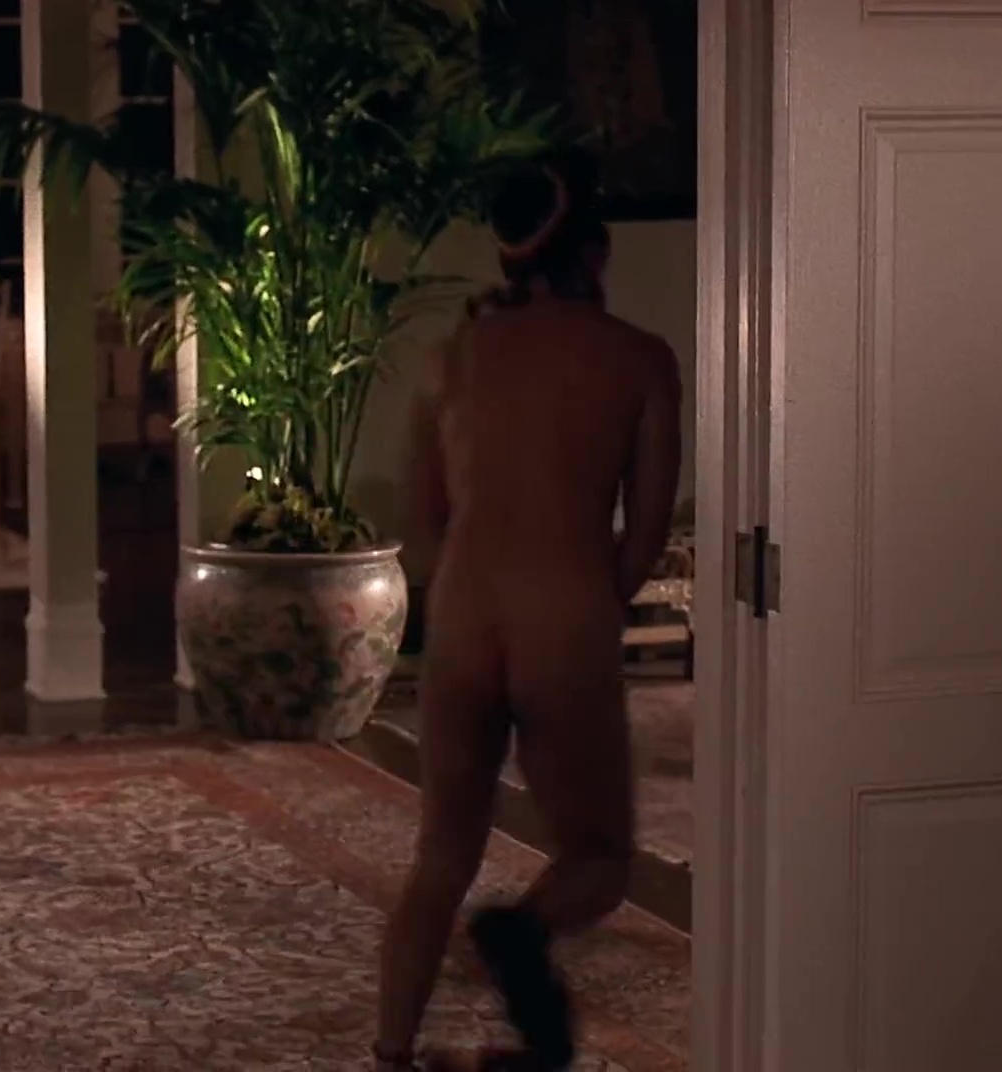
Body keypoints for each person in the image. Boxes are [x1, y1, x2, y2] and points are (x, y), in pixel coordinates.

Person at [371, 159, 683, 1071]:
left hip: (465, 609)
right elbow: (646, 533)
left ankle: (391, 1054)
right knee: (599, 859)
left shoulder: (454, 356)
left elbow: (424, 519)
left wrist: (469, 584)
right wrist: (588, 606)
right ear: (596, 251)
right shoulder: (638, 358)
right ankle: (519, 934)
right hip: (564, 610)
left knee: (441, 856)